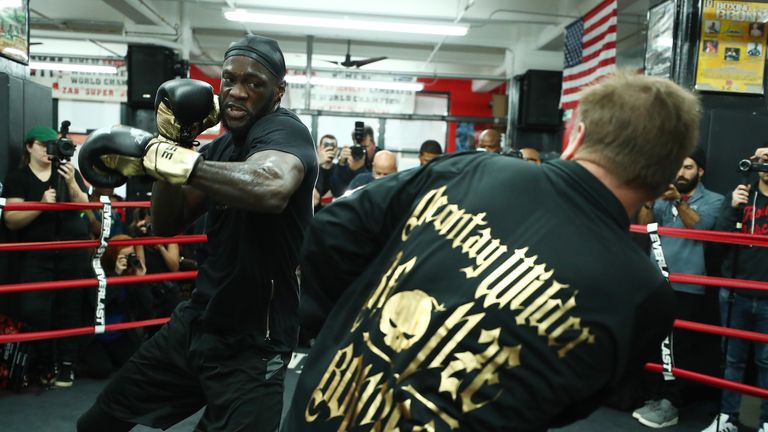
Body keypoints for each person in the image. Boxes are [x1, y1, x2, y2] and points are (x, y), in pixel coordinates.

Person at [283, 71, 699, 431]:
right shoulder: (644, 296)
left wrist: (348, 331)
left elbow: (329, 235)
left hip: (324, 411)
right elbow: (573, 403)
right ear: (666, 173)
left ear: (578, 137)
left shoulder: (471, 169)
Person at [76, 34, 318, 431]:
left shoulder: (284, 132)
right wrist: (174, 145)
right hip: (199, 323)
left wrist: (176, 162)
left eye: (254, 83)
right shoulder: (221, 149)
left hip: (255, 343)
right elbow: (167, 223)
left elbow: (270, 186)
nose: (237, 93)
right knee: (99, 422)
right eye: (229, 80)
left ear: (278, 91)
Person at [634, 148, 724, 428]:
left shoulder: (714, 200)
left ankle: (671, 404)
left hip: (688, 284)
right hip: (656, 281)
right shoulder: (662, 197)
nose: (680, 173)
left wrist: (680, 202)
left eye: (687, 167)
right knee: (653, 342)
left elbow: (702, 228)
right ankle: (656, 396)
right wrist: (649, 201)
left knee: (678, 348)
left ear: (700, 171)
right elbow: (642, 226)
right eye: (677, 168)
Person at [2, 126, 90, 389]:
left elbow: (86, 208)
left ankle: (66, 366)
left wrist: (72, 182)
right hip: (36, 253)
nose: (49, 151)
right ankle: (45, 363)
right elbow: (11, 219)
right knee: (34, 309)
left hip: (70, 251)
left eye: (53, 145)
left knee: (70, 307)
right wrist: (41, 204)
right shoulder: (18, 177)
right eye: (44, 145)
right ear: (30, 146)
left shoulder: (66, 172)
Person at [702, 148, 768, 432]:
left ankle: (766, 421)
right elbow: (717, 242)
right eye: (763, 161)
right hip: (735, 293)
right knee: (732, 360)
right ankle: (727, 417)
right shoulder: (742, 194)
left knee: (767, 364)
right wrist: (731, 206)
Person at [78, 234, 151, 379]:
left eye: (131, 254)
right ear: (113, 255)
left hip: (118, 334)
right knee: (101, 370)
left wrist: (141, 280)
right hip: (95, 335)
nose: (128, 259)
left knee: (137, 364)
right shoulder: (97, 271)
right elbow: (97, 302)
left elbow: (147, 309)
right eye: (123, 256)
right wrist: (116, 276)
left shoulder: (129, 273)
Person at [331, 125, 380, 193]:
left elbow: (376, 188)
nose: (362, 150)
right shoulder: (351, 154)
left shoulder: (381, 158)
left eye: (365, 146)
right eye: (358, 146)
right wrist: (341, 165)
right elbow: (337, 192)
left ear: (374, 145)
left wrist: (359, 169)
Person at [314, 134, 339, 211]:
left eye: (332, 146)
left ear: (337, 150)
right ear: (319, 148)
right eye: (326, 145)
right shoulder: (311, 168)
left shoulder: (340, 170)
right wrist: (318, 163)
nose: (329, 149)